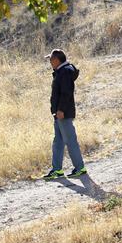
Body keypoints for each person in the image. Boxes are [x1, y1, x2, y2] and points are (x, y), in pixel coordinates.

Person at [42, 48, 86, 179]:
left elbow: (66, 93)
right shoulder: (61, 71)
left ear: (56, 60)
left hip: (63, 113)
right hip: (59, 113)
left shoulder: (65, 72)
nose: (50, 62)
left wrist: (61, 110)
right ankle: (57, 170)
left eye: (50, 60)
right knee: (58, 142)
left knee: (70, 141)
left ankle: (80, 168)